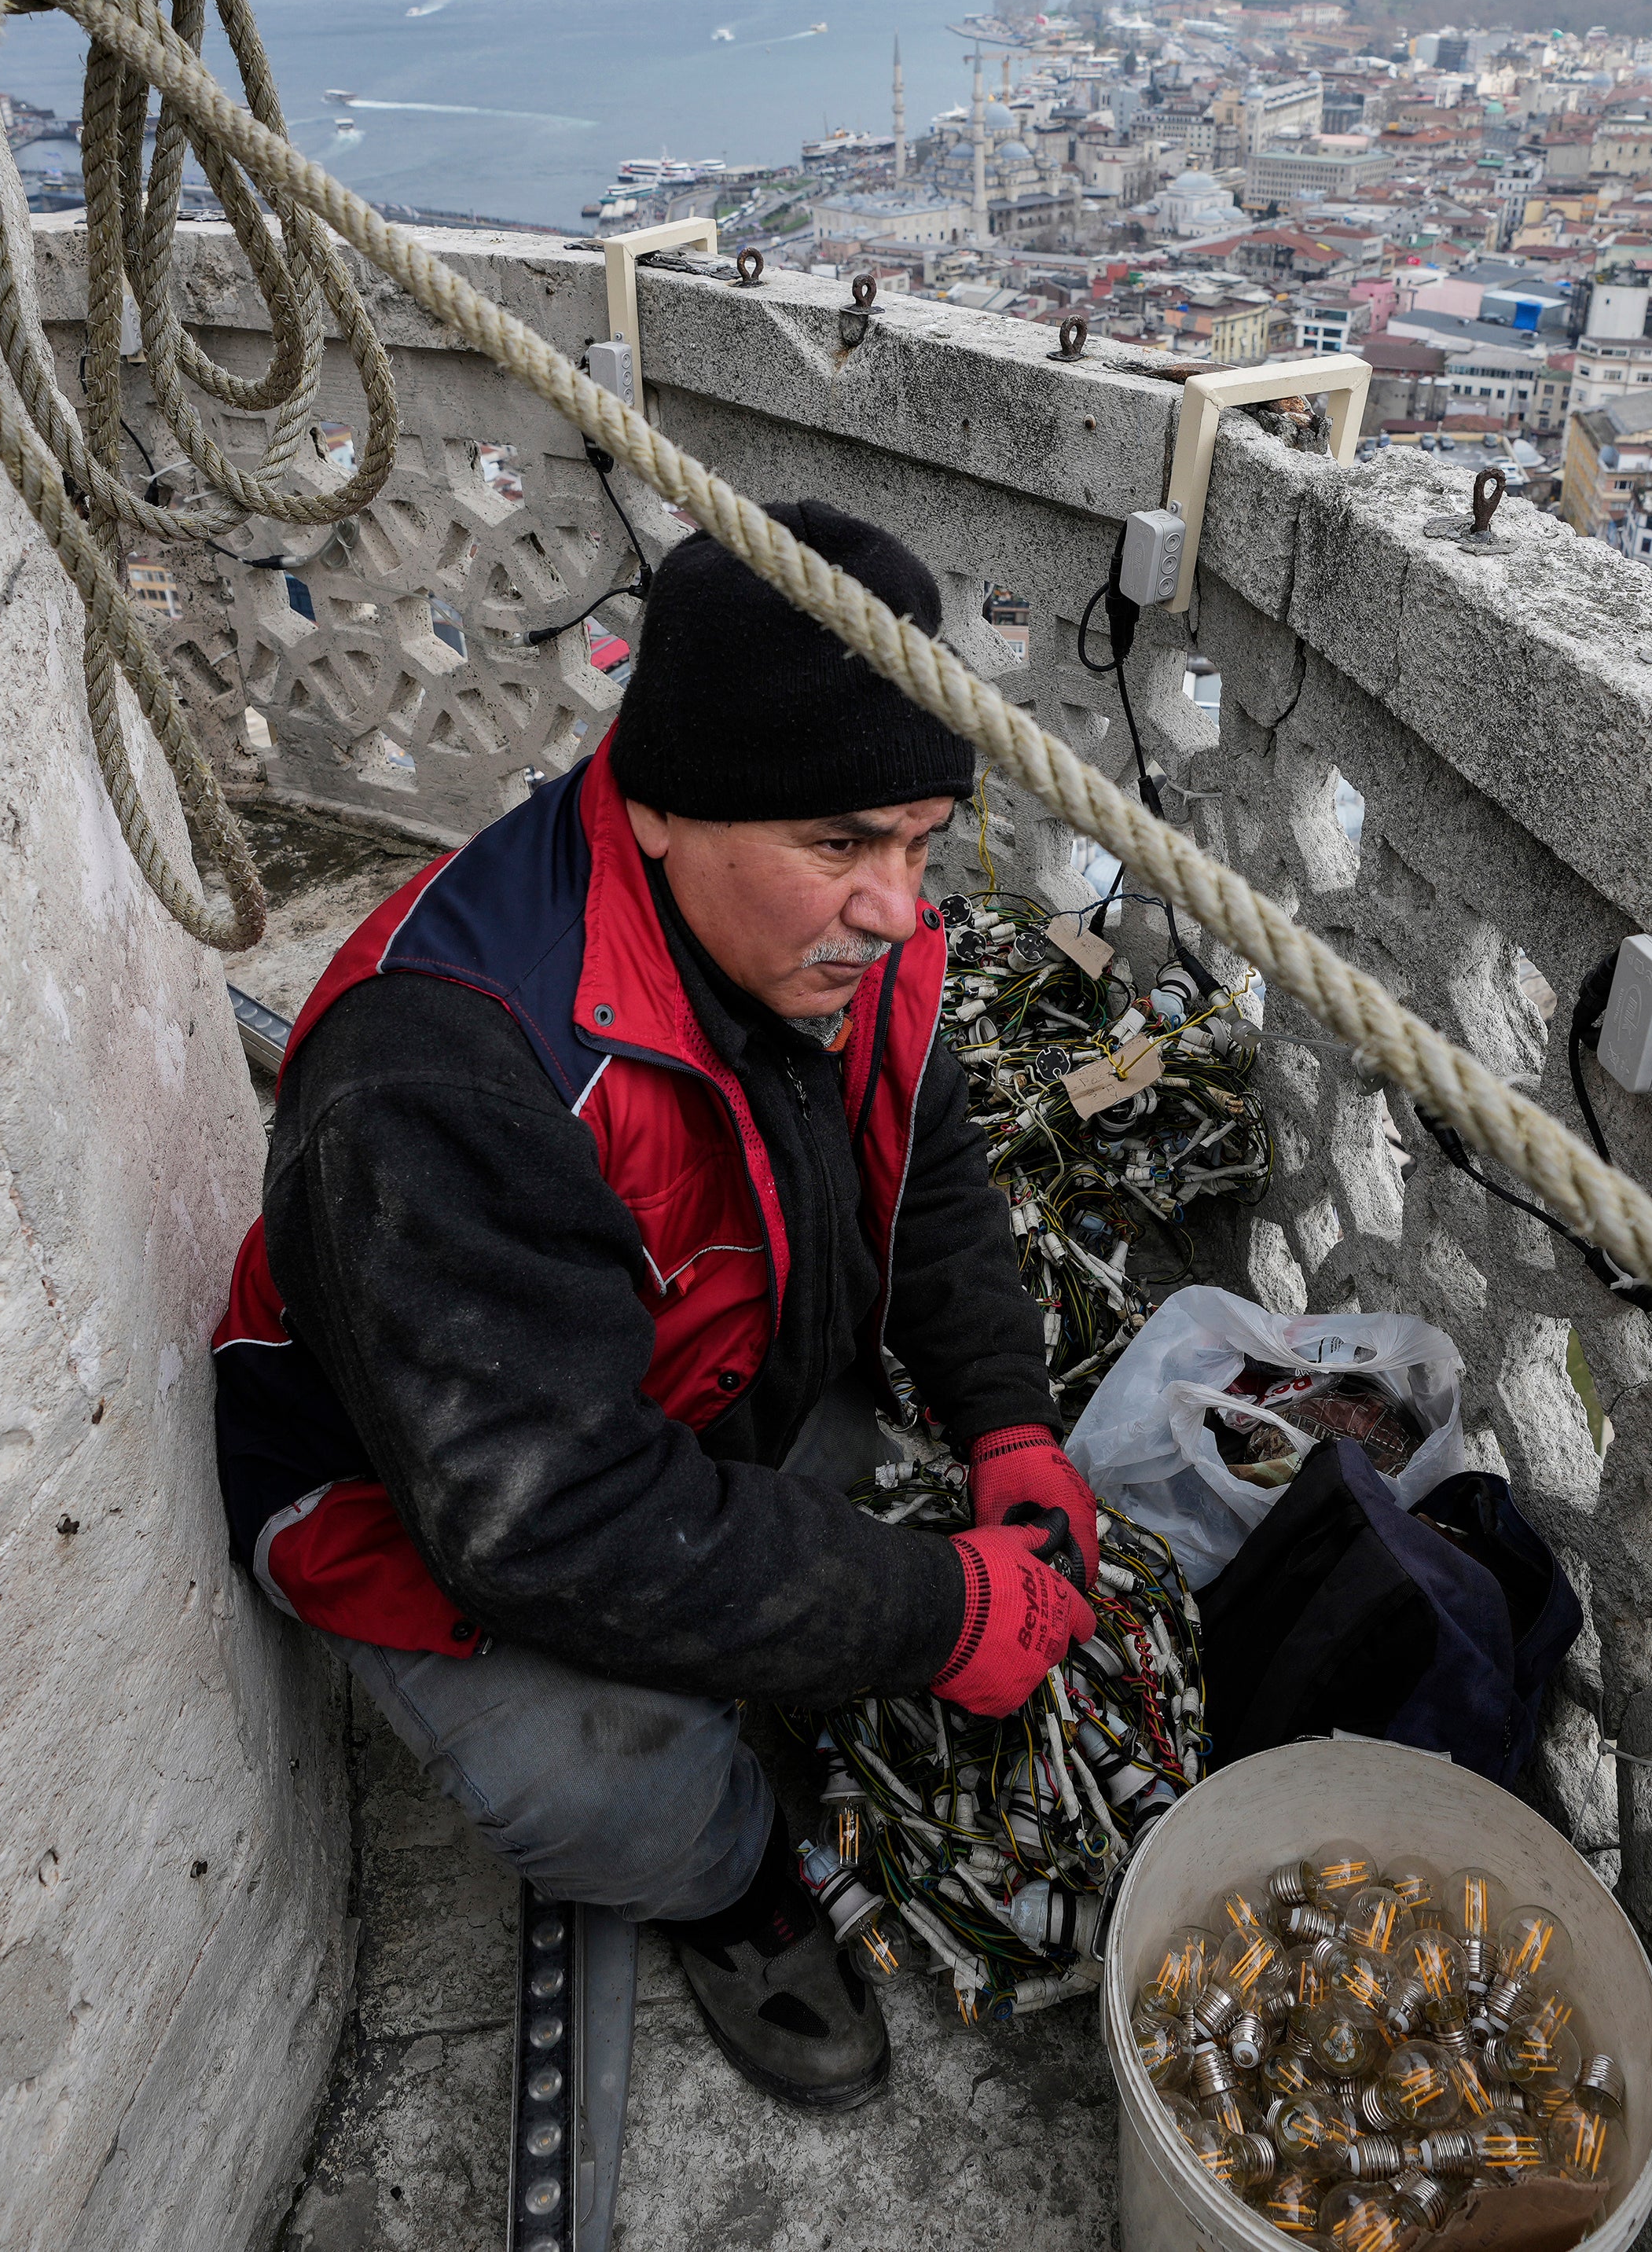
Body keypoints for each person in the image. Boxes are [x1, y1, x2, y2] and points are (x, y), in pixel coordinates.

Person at [211, 501, 1101, 2110]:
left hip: (693, 1376)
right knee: (606, 1778)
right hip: (439, 1494)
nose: (899, 904)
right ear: (663, 810)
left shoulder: (841, 936)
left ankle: (785, 1626)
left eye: (919, 838)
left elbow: (929, 1170)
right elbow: (535, 1518)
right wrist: (935, 1612)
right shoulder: (448, 1074)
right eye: (841, 844)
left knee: (849, 1547)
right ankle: (728, 1877)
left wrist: (1009, 1425)